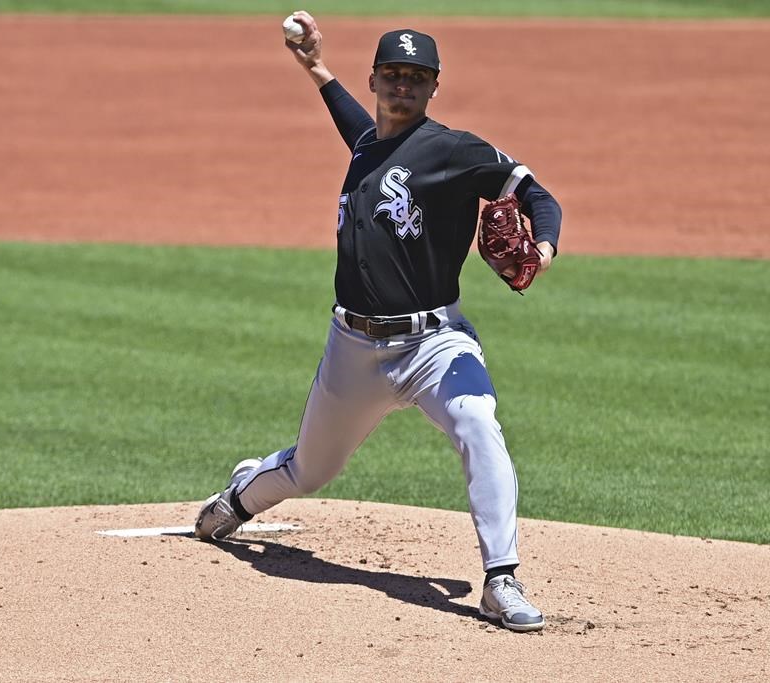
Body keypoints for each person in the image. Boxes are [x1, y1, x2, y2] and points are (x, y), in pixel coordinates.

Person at [195, 11, 562, 633]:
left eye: (416, 77)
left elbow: (539, 197)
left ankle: (501, 578)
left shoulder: (455, 149)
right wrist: (314, 68)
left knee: (478, 420)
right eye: (393, 74)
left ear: (433, 86)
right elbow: (356, 130)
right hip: (353, 347)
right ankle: (236, 500)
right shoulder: (369, 144)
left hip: (433, 343)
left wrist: (544, 249)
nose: (403, 85)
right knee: (309, 471)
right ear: (374, 79)